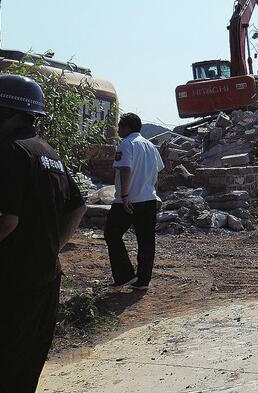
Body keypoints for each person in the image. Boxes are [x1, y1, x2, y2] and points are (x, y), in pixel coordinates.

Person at [0, 74, 87, 393]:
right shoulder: (49, 153)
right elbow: (79, 207)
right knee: (26, 363)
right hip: (45, 275)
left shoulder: (10, 151)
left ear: (7, 113)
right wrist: (53, 246)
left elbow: (8, 221)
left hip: (11, 278)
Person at [104, 112, 164, 291]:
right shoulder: (151, 146)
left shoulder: (126, 144)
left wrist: (124, 196)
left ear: (127, 127)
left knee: (111, 234)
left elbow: (125, 169)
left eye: (120, 126)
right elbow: (157, 173)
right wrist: (155, 193)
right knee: (146, 240)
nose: (118, 129)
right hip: (148, 198)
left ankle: (125, 275)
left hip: (128, 200)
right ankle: (143, 280)